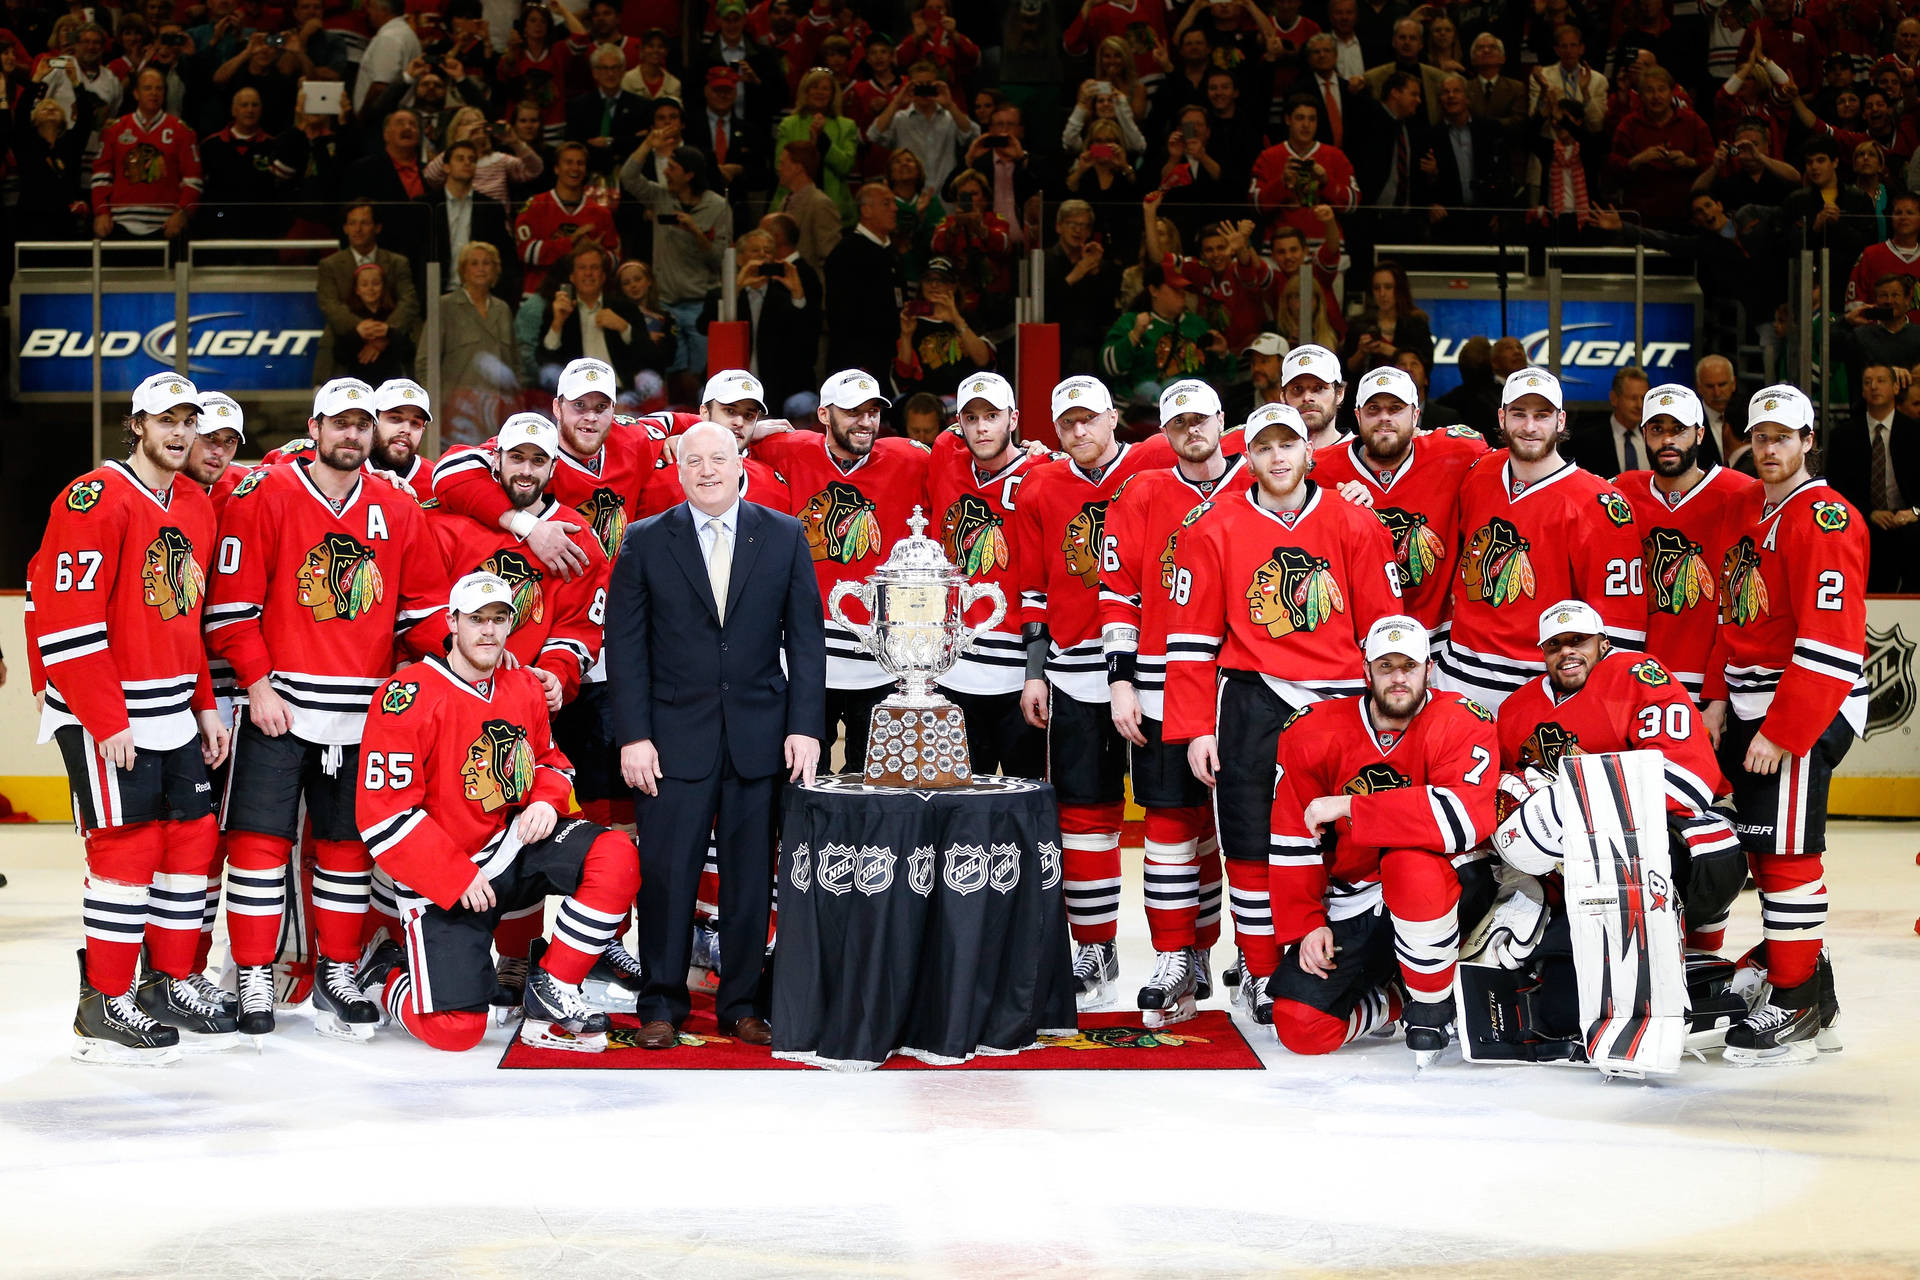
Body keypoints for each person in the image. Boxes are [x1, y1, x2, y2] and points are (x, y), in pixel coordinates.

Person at [204, 377, 447, 1041]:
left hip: (364, 710)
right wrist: (256, 685)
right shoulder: (267, 494)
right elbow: (231, 610)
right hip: (277, 701)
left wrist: (465, 658)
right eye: (338, 423)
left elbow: (424, 615)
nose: (351, 435)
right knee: (258, 842)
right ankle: (254, 970)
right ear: (313, 428)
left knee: (345, 846)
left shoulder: (398, 507)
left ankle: (337, 972)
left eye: (361, 424)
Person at [1163, 401, 1400, 1024]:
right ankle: (1263, 970)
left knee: (1339, 837)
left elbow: (1387, 632)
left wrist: (1394, 715)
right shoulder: (1212, 526)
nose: (1277, 457)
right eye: (1264, 447)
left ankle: (1338, 958)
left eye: (1287, 446)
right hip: (1251, 697)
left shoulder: (1355, 524)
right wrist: (1194, 729)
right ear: (1250, 456)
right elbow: (1190, 637)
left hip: (1343, 702)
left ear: (1309, 451)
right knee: (1247, 837)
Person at [33, 373, 233, 1063]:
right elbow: (63, 623)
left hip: (172, 707)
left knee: (191, 843)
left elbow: (187, 621)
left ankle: (169, 982)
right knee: (126, 851)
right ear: (136, 425)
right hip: (107, 711)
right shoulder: (93, 498)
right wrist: (105, 717)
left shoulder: (196, 505)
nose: (179, 433)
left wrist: (205, 705)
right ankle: (104, 1002)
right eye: (165, 420)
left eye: (188, 420)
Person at [354, 571, 640, 1053]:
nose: (487, 630)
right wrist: (453, 877)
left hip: (512, 848)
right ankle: (384, 973)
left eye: (498, 619)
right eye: (476, 619)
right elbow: (383, 815)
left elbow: (550, 761)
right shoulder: (408, 695)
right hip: (446, 873)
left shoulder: (523, 684)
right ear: (452, 622)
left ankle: (554, 985)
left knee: (616, 854)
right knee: (457, 1031)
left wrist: (548, 801)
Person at [607, 422, 825, 1049]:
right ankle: (661, 1005)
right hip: (671, 742)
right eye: (693, 460)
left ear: (740, 462)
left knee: (752, 878)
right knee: (668, 876)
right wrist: (634, 736)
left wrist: (805, 727)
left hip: (760, 737)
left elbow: (806, 642)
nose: (706, 470)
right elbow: (624, 651)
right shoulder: (646, 541)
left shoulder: (782, 535)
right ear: (676, 467)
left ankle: (741, 1003)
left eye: (718, 458)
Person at [433, 358, 678, 827]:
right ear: (557, 408)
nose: (588, 417)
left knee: (603, 796)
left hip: (603, 650)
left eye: (600, 407)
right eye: (577, 406)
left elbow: (676, 423)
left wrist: (744, 430)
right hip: (514, 674)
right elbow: (448, 474)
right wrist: (528, 526)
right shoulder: (522, 456)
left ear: (614, 411)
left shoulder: (629, 442)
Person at [1702, 384, 1861, 1064]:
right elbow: (1731, 619)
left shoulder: (1822, 518)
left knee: (1790, 855)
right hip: (1749, 703)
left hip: (1800, 706)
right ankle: (1807, 983)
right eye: (1759, 436)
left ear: (1807, 441)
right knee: (1765, 854)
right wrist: (1716, 698)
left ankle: (1793, 1001)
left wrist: (1785, 731)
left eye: (1782, 437)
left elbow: (1831, 643)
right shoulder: (1754, 511)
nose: (1769, 448)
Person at [1012, 375, 1177, 1009]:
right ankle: (1094, 945)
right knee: (1084, 815)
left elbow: (1242, 446)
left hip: (1156, 669)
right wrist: (1033, 668)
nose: (1079, 432)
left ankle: (1185, 950)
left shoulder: (1157, 459)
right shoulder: (1040, 484)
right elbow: (1032, 587)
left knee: (1175, 815)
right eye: (1067, 423)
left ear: (1114, 418)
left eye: (1089, 419)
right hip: (1074, 670)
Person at [1266, 617, 1498, 1062]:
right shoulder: (1312, 729)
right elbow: (1293, 837)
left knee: (1409, 864)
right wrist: (1307, 922)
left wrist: (1351, 807)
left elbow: (1462, 822)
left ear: (1428, 669)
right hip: (1358, 899)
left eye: (1408, 666)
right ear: (1365, 670)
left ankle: (1431, 1000)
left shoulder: (1462, 719)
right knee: (1300, 1026)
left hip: (1446, 891)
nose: (1398, 678)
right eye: (1386, 665)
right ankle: (1399, 995)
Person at [1098, 379, 1244, 1022]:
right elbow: (1118, 592)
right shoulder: (1143, 491)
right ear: (1164, 431)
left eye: (1200, 419)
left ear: (1221, 421)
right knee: (1168, 825)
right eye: (1178, 422)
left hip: (1249, 683)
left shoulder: (1259, 478)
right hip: (1160, 681)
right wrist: (1121, 679)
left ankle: (1245, 957)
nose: (1191, 431)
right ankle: (1174, 952)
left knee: (1249, 830)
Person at [1494, 599, 1747, 964]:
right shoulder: (1516, 709)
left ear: (1603, 642)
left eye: (1578, 640)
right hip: (1575, 856)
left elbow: (1688, 784)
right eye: (1554, 644)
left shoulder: (1638, 674)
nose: (1566, 651)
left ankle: (1691, 957)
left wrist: (1572, 806)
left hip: (1685, 832)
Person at [1436, 368, 1648, 712]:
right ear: (1502, 418)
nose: (1530, 427)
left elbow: (1621, 628)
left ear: (1560, 420)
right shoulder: (1478, 473)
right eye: (1519, 414)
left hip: (1541, 689)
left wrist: (1600, 705)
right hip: (1455, 678)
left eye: (1542, 415)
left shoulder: (1598, 503)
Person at [752, 370, 931, 772]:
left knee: (872, 778)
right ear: (823, 414)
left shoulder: (910, 458)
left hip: (880, 654)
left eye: (872, 412)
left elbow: (970, 456)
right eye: (852, 412)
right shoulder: (788, 448)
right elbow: (714, 446)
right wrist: (750, 429)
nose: (865, 422)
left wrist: (1039, 450)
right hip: (801, 651)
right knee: (795, 773)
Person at [1614, 384, 1764, 699]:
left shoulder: (1743, 493)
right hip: (1637, 677)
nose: (1667, 440)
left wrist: (1718, 693)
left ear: (1699, 434)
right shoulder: (1620, 492)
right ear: (1644, 434)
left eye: (1679, 429)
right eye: (1657, 429)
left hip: (1719, 682)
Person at [925, 373, 1042, 778]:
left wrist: (1036, 672)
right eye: (971, 418)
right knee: (957, 804)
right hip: (953, 670)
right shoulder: (944, 455)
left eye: (992, 415)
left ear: (1013, 419)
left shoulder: (1043, 471)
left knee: (1021, 802)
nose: (982, 427)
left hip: (1019, 672)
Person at [1313, 365, 1487, 630]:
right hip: (1360, 632)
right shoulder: (1320, 469)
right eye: (1374, 409)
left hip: (1438, 631)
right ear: (1358, 415)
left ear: (1416, 415)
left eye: (1396, 409)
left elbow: (1491, 463)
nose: (1384, 418)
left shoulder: (1454, 452)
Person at [618, 138, 733, 380]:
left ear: (689, 175)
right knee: (670, 372)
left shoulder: (718, 206)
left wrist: (695, 232)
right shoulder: (660, 197)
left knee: (702, 373)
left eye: (672, 168)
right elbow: (628, 177)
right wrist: (649, 141)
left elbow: (718, 258)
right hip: (665, 304)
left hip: (700, 305)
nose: (666, 173)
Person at [1823, 364, 1920, 592]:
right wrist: (1869, 513)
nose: (1874, 386)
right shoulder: (1843, 436)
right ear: (1862, 391)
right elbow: (1835, 489)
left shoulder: (1915, 433)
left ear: (1896, 387)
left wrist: (1914, 512)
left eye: (1881, 380)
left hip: (1910, 519)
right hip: (1864, 519)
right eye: (1867, 382)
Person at [422, 242, 522, 447]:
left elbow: (514, 363)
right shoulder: (444, 305)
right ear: (463, 270)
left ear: (496, 270)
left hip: (496, 413)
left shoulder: (502, 309)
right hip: (455, 410)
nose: (481, 268)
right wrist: (431, 407)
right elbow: (425, 361)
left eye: (487, 263)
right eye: (474, 263)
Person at [316, 204, 424, 382]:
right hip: (346, 341)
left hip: (394, 343)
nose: (357, 229)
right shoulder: (330, 265)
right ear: (345, 228)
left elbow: (409, 301)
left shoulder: (397, 262)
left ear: (377, 227)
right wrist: (361, 330)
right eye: (352, 223)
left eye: (364, 223)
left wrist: (386, 333)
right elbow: (329, 304)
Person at [90, 66, 201, 239]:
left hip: (167, 225)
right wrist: (101, 212)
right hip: (119, 223)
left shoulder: (182, 131)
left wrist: (182, 213)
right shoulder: (115, 130)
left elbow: (193, 181)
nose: (154, 93)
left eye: (159, 88)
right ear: (136, 93)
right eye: (147, 88)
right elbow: (101, 177)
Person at [1099, 261, 1236, 402]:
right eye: (1175, 288)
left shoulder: (1197, 325)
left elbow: (1227, 377)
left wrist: (1222, 354)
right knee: (1151, 388)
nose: (1182, 293)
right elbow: (1108, 369)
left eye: (1183, 288)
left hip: (1193, 407)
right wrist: (1134, 335)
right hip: (1143, 408)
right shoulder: (1131, 321)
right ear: (1154, 290)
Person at [535, 242, 662, 393]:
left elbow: (650, 356)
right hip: (576, 392)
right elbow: (543, 359)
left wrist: (624, 328)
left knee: (650, 380)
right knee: (548, 372)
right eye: (582, 268)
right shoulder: (560, 309)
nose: (588, 273)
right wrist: (557, 323)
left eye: (594, 268)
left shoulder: (624, 308)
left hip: (619, 389)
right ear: (573, 277)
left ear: (602, 276)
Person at [514, 142, 620, 300]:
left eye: (580, 163)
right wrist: (571, 242)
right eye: (568, 162)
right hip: (538, 296)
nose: (575, 168)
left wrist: (596, 253)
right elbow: (526, 252)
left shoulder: (601, 213)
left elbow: (615, 260)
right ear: (556, 168)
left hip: (586, 299)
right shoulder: (535, 205)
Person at [732, 228, 821, 416]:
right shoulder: (726, 294)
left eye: (768, 251)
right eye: (755, 250)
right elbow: (706, 325)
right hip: (733, 382)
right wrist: (737, 287)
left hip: (777, 386)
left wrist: (797, 293)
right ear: (740, 259)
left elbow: (805, 333)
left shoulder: (782, 296)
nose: (762, 255)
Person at [824, 182, 906, 381]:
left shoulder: (891, 252)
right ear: (866, 210)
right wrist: (859, 363)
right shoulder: (847, 253)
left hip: (890, 360)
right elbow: (842, 315)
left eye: (894, 203)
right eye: (886, 203)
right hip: (859, 366)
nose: (895, 209)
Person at [865, 61, 979, 199]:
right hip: (910, 196)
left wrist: (950, 104)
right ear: (910, 86)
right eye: (919, 86)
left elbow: (973, 135)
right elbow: (873, 134)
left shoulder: (951, 117)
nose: (924, 91)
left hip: (945, 196)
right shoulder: (900, 118)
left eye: (929, 85)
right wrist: (896, 102)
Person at [892, 255, 993, 400]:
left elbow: (984, 360)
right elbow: (903, 374)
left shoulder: (968, 319)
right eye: (929, 280)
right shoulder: (912, 320)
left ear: (953, 285)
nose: (934, 285)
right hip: (925, 401)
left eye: (941, 280)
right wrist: (907, 335)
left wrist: (957, 321)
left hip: (965, 398)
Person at [565, 45, 650, 180]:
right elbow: (574, 143)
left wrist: (611, 142)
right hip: (587, 176)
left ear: (623, 71)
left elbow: (641, 143)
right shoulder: (578, 106)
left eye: (615, 68)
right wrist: (625, 141)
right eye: (604, 68)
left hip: (628, 177)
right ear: (594, 73)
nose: (610, 74)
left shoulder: (641, 106)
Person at [1339, 259, 1433, 378]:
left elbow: (1426, 365)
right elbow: (1347, 370)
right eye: (1377, 288)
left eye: (1388, 287)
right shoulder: (1359, 325)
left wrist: (1392, 352)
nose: (1382, 293)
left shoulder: (1416, 324)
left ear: (1399, 289)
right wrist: (1361, 352)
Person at [332, 263, 418, 384]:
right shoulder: (348, 317)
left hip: (392, 384)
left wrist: (388, 334)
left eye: (376, 283)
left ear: (384, 286)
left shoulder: (395, 315)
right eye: (364, 284)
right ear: (356, 289)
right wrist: (357, 334)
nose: (370, 289)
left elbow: (409, 352)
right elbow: (340, 356)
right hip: (357, 385)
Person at [767, 138, 842, 273]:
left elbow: (831, 256)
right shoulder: (786, 200)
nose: (779, 168)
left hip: (811, 288)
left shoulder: (820, 204)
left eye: (782, 163)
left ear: (797, 167)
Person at [1569, 365, 1654, 479]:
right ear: (1614, 398)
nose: (1639, 405)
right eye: (1633, 398)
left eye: (1643, 398)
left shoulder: (1654, 438)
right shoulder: (1586, 441)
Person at [366, 377, 437, 499]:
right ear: (373, 422)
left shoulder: (436, 481)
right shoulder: (348, 469)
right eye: (395, 418)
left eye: (415, 423)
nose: (406, 430)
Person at [1280, 342, 1349, 452]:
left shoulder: (1361, 454)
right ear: (1283, 397)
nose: (1307, 397)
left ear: (1339, 394)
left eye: (1319, 388)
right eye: (1297, 389)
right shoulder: (1269, 458)